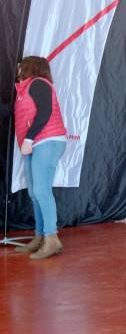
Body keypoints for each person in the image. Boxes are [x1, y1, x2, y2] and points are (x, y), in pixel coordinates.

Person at [13, 56, 67, 260]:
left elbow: (45, 112)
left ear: (31, 67)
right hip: (36, 143)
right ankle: (40, 236)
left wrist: (28, 139)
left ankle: (52, 240)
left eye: (22, 65)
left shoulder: (38, 83)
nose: (18, 68)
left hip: (47, 141)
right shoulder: (25, 89)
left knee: (42, 191)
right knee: (35, 193)